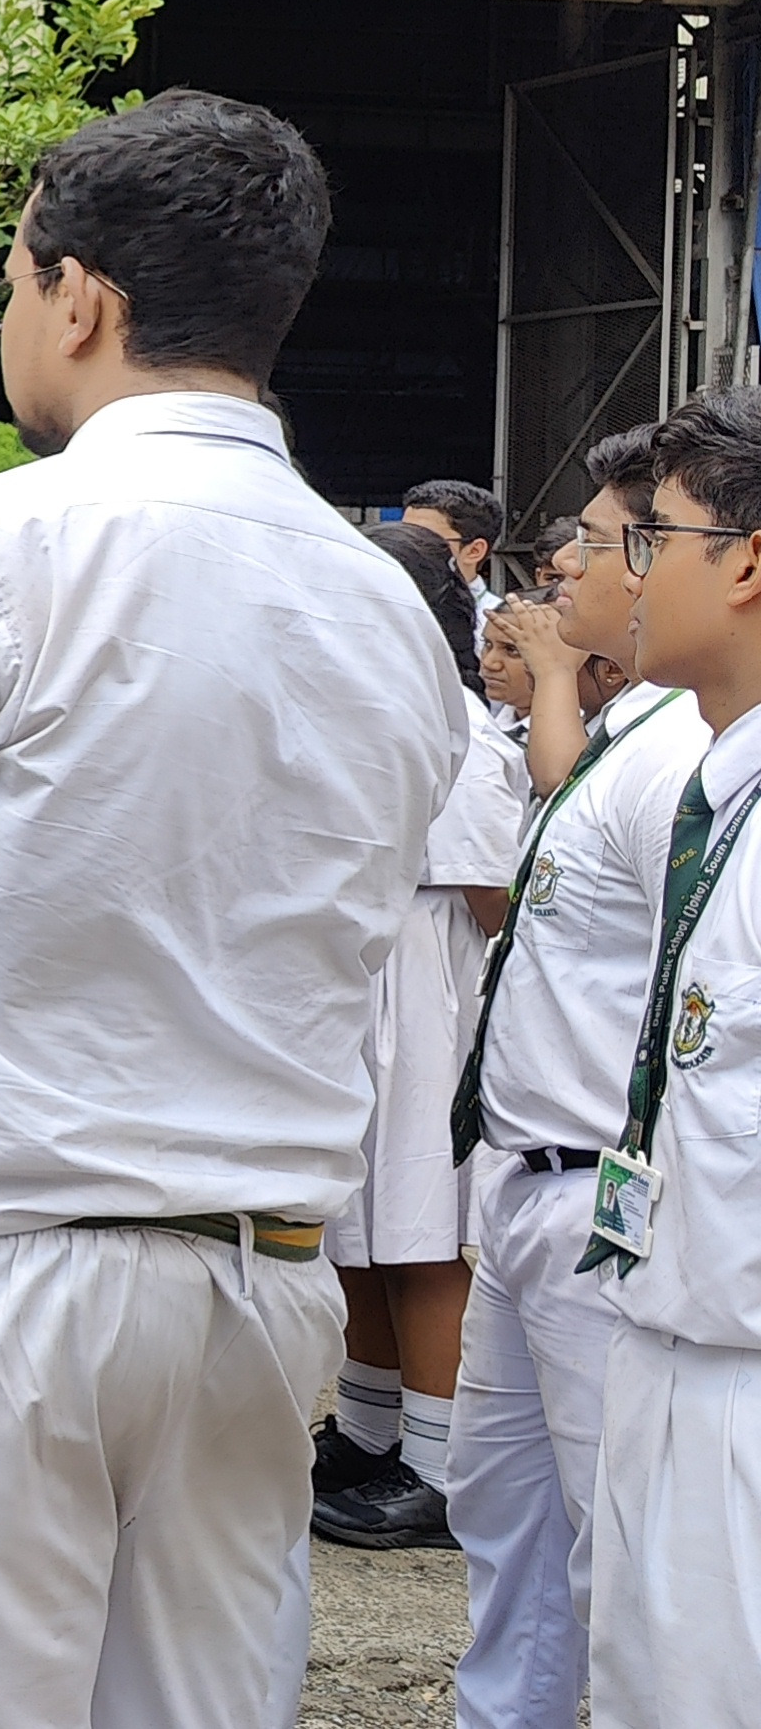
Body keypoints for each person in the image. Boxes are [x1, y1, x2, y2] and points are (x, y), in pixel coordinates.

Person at [0, 91, 460, 1729]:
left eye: (9, 284)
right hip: (253, 1280)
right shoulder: (389, 608)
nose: (8, 318)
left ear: (81, 299)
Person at [448, 427, 704, 1729]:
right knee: (504, 1510)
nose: (570, 581)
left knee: (612, 1537)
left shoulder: (673, 752)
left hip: (600, 1195)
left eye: (599, 551)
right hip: (529, 1183)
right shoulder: (638, 728)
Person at [585, 389, 761, 1728]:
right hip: (665, 1334)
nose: (632, 573)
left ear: (748, 563)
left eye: (662, 537)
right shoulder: (712, 785)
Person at [307, 521, 525, 1553]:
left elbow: (491, 897)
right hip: (363, 990)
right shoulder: (367, 714)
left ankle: (437, 1462)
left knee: (422, 1235)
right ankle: (366, 1425)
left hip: (425, 997)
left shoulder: (467, 735)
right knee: (360, 1230)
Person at [407, 477, 509, 621]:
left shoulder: (500, 624)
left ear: (474, 551)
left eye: (425, 539)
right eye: (403, 534)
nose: (408, 546)